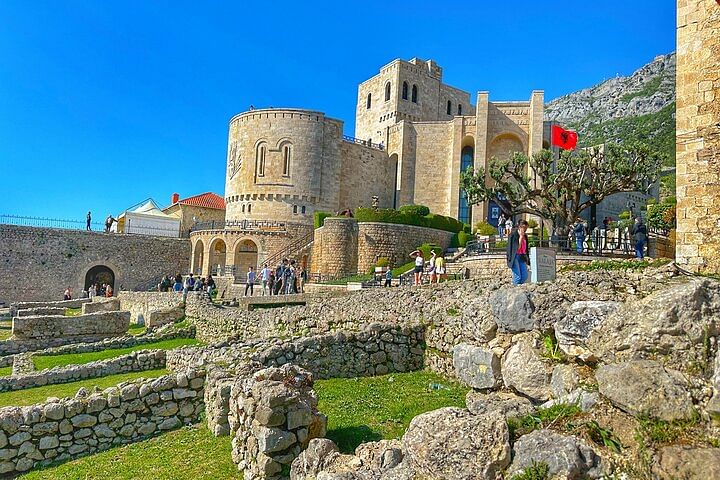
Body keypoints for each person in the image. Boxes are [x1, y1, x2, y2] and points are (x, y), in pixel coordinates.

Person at [507, 220, 530, 285]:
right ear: (519, 227)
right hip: (515, 257)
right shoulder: (513, 235)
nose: (525, 229)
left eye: (526, 228)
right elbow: (517, 248)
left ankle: (518, 289)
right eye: (524, 227)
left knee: (524, 276)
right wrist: (521, 237)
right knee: (517, 277)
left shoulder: (525, 236)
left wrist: (527, 259)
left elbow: (526, 249)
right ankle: (514, 290)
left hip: (522, 256)